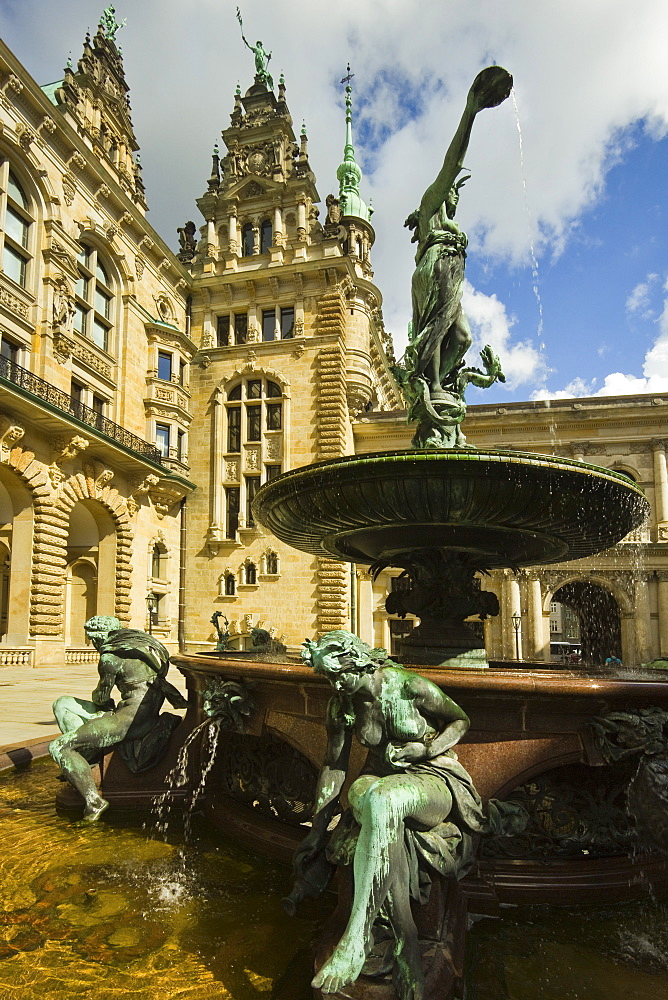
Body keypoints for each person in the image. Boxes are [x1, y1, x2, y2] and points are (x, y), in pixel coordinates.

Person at [290, 630, 525, 1000]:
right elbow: (334, 765)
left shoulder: (410, 687)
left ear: (358, 661)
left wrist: (424, 748)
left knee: (381, 801)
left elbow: (460, 721)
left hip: (430, 779)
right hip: (379, 780)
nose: (336, 684)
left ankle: (355, 937)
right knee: (371, 799)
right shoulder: (343, 703)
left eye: (340, 675)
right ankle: (407, 939)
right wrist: (317, 829)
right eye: (328, 678)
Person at [403, 66, 512, 407]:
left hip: (449, 272)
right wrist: (470, 113)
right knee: (437, 327)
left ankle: (436, 382)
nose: (454, 195)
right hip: (434, 268)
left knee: (462, 337)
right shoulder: (430, 204)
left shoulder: (446, 216)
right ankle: (433, 385)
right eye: (453, 191)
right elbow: (452, 162)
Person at [49, 615, 187, 822]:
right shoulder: (142, 649)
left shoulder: (109, 658)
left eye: (93, 639)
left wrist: (102, 707)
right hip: (143, 714)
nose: (93, 644)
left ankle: (93, 800)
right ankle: (83, 762)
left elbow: (102, 697)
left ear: (100, 637)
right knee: (63, 702)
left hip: (127, 722)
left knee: (59, 747)